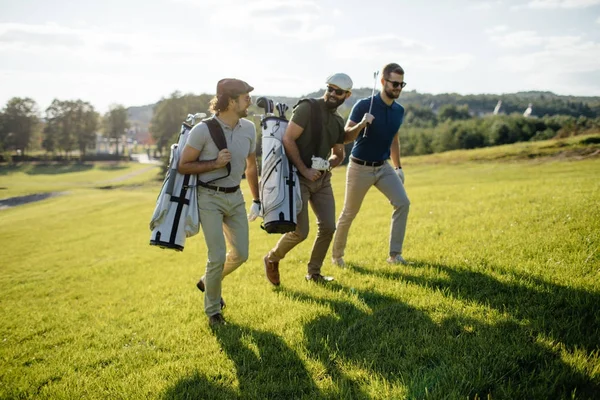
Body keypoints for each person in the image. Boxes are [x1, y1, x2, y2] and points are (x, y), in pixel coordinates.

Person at [178, 78, 261, 327]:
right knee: (216, 256)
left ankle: (206, 282)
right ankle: (213, 312)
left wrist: (256, 199)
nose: (250, 101)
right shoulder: (202, 130)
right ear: (231, 101)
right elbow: (184, 165)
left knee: (241, 254)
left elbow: (251, 165)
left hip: (235, 197)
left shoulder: (249, 128)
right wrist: (214, 164)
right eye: (246, 97)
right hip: (209, 198)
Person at [263, 73, 354, 285]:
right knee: (300, 232)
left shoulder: (338, 121)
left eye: (338, 91)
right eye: (330, 88)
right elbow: (288, 139)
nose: (332, 93)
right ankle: (271, 258)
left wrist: (326, 165)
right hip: (298, 178)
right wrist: (305, 170)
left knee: (329, 227)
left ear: (346, 95)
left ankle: (314, 273)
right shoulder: (307, 108)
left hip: (322, 180)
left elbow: (338, 154)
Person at [331, 63, 410, 266]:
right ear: (383, 82)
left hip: (383, 167)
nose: (398, 88)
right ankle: (336, 257)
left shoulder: (399, 111)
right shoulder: (364, 105)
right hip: (360, 167)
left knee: (403, 203)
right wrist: (362, 124)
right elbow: (345, 137)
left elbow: (394, 139)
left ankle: (395, 256)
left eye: (401, 85)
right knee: (349, 212)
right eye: (394, 84)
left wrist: (398, 167)